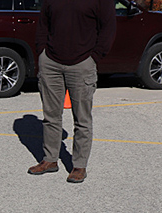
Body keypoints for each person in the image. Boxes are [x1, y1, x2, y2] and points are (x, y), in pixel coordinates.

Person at [28, 0, 116, 183]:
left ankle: (79, 165)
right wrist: (41, 51)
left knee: (82, 119)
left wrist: (94, 57)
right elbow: (43, 23)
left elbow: (108, 28)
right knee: (51, 116)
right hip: (51, 62)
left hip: (82, 63)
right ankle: (50, 160)